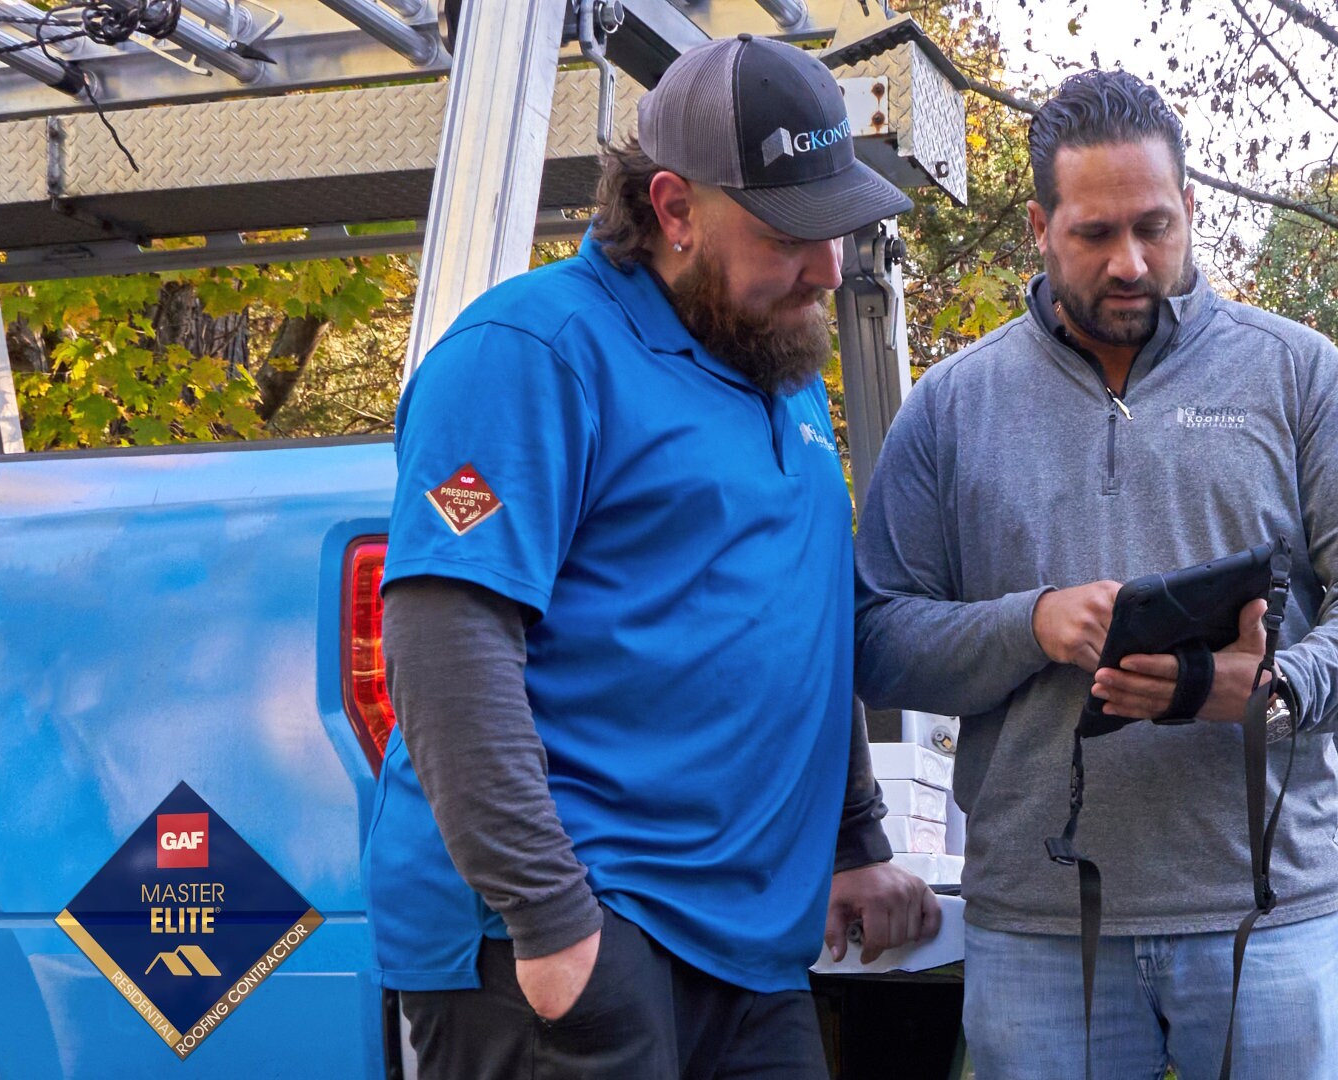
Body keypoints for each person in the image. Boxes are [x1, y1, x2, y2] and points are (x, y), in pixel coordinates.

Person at [365, 34, 939, 1080]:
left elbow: (801, 625)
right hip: (576, 931)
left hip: (749, 944)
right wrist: (550, 922)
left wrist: (855, 840)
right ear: (674, 209)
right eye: (790, 234)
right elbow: (444, 648)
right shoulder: (530, 354)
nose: (829, 267)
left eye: (842, 229)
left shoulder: (777, 365)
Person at [854, 70, 1338, 1080]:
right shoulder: (951, 408)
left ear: (1192, 210)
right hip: (1037, 926)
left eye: (1155, 226)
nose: (1131, 262)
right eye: (1093, 233)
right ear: (1039, 225)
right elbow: (876, 637)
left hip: (1266, 914)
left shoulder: (1297, 376)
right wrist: (1030, 625)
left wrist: (1274, 688)